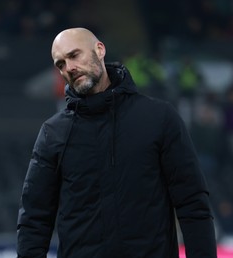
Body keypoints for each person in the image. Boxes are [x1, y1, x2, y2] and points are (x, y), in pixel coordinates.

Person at [16, 27, 217, 258]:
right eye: (60, 64)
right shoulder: (53, 133)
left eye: (74, 55)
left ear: (99, 50)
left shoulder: (159, 118)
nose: (69, 68)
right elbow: (34, 219)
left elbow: (192, 204)